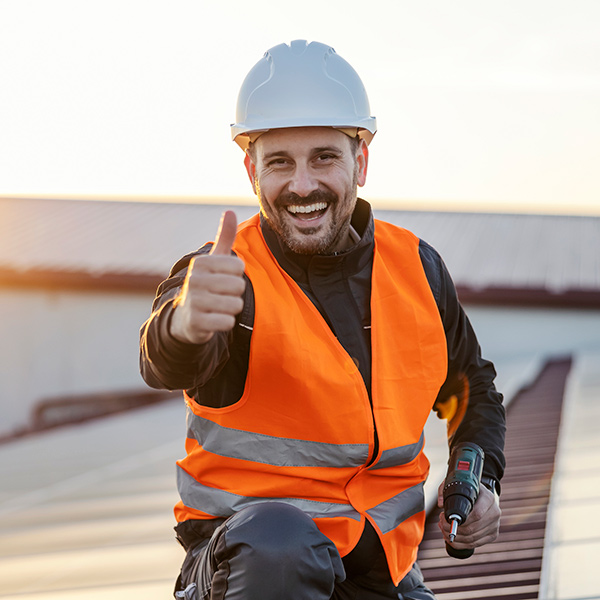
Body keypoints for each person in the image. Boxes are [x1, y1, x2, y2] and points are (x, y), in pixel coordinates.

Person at [139, 40, 505, 600]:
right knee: (277, 544)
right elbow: (165, 358)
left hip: (382, 571)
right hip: (252, 570)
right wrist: (185, 324)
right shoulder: (220, 275)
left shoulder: (418, 269)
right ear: (250, 169)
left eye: (324, 158)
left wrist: (480, 477)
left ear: (360, 161)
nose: (302, 185)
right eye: (280, 162)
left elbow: (468, 389)